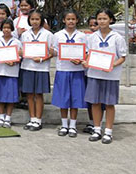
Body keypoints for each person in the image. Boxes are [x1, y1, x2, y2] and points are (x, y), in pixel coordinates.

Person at [83, 8, 126, 144]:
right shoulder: (92, 37)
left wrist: (112, 65)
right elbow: (88, 54)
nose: (101, 21)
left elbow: (123, 57)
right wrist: (86, 62)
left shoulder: (117, 37)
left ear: (111, 20)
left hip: (111, 76)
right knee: (95, 102)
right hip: (94, 74)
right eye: (99, 19)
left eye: (104, 18)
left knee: (109, 103)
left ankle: (108, 132)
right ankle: (97, 129)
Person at [51, 9, 88, 138]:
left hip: (77, 71)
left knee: (75, 99)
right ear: (63, 20)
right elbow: (54, 51)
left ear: (77, 20)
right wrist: (53, 51)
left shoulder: (82, 36)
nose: (71, 21)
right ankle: (64, 124)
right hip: (63, 70)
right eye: (68, 19)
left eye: (73, 19)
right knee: (63, 99)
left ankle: (72, 125)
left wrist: (80, 60)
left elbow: (86, 52)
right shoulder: (58, 35)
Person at [19, 10, 53, 131]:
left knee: (38, 94)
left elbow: (51, 52)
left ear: (41, 20)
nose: (35, 22)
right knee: (29, 94)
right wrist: (21, 53)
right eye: (32, 19)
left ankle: (38, 120)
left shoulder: (48, 35)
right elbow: (21, 50)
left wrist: (43, 58)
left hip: (41, 68)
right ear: (29, 20)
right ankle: (32, 118)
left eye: (37, 19)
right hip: (27, 66)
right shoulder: (25, 34)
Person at [0, 19, 22, 128]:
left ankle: (8, 118)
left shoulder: (17, 42)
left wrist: (14, 61)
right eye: (4, 27)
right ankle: (1, 117)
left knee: (10, 96)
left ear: (12, 29)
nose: (6, 30)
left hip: (12, 72)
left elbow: (20, 56)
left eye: (8, 28)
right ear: (1, 29)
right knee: (0, 96)